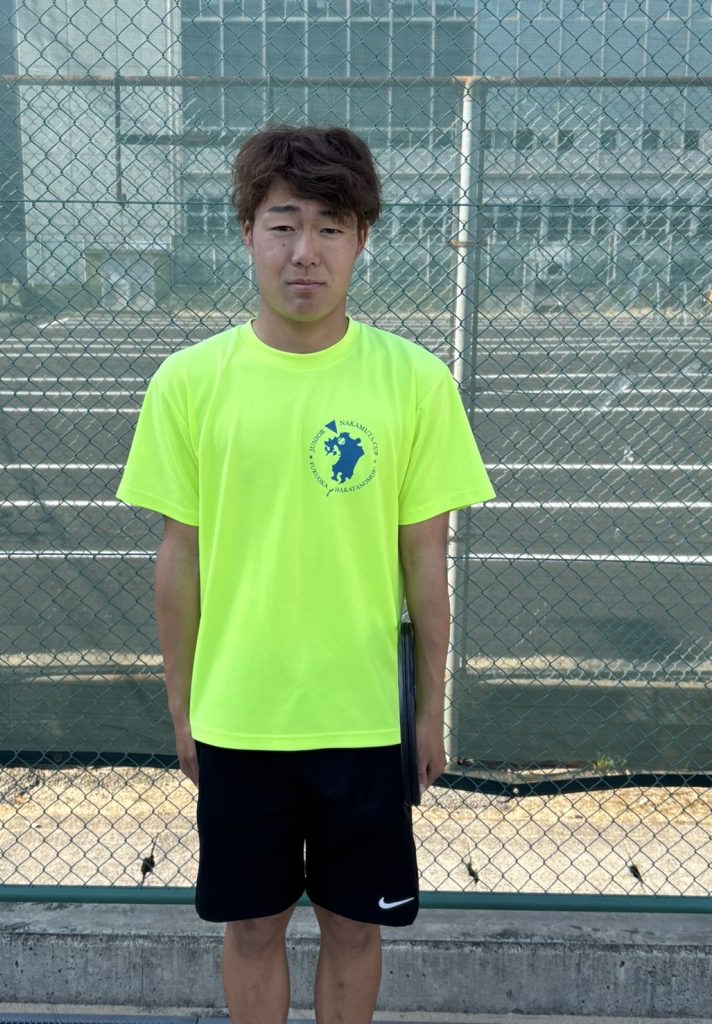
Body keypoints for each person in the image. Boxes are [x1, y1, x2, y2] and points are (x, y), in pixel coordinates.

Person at [116, 124, 495, 1024]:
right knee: (252, 927)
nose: (305, 252)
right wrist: (185, 706)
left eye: (330, 227)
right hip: (240, 717)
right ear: (247, 232)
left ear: (362, 239)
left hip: (362, 720)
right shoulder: (189, 382)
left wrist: (429, 709)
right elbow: (179, 558)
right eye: (283, 225)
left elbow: (426, 560)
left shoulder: (414, 381)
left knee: (355, 928)